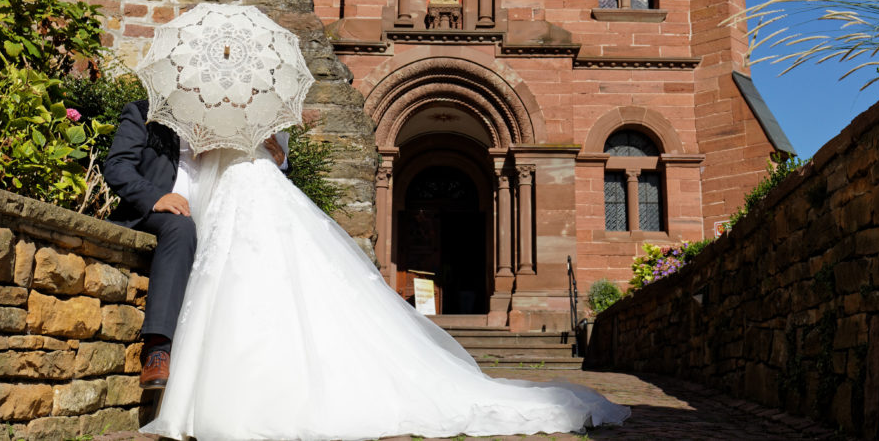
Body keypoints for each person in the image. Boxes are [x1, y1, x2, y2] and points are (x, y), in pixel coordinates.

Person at [138, 141, 630, 440]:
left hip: (254, 192)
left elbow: (280, 157)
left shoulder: (260, 105)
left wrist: (264, 143)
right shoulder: (196, 112)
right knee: (239, 285)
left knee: (263, 281)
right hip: (225, 200)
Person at [102, 102, 285, 390]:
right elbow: (117, 165)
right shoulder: (143, 113)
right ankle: (158, 349)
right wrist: (155, 197)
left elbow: (255, 184)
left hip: (213, 215)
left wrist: (272, 162)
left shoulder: (228, 124)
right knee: (180, 225)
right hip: (158, 214)